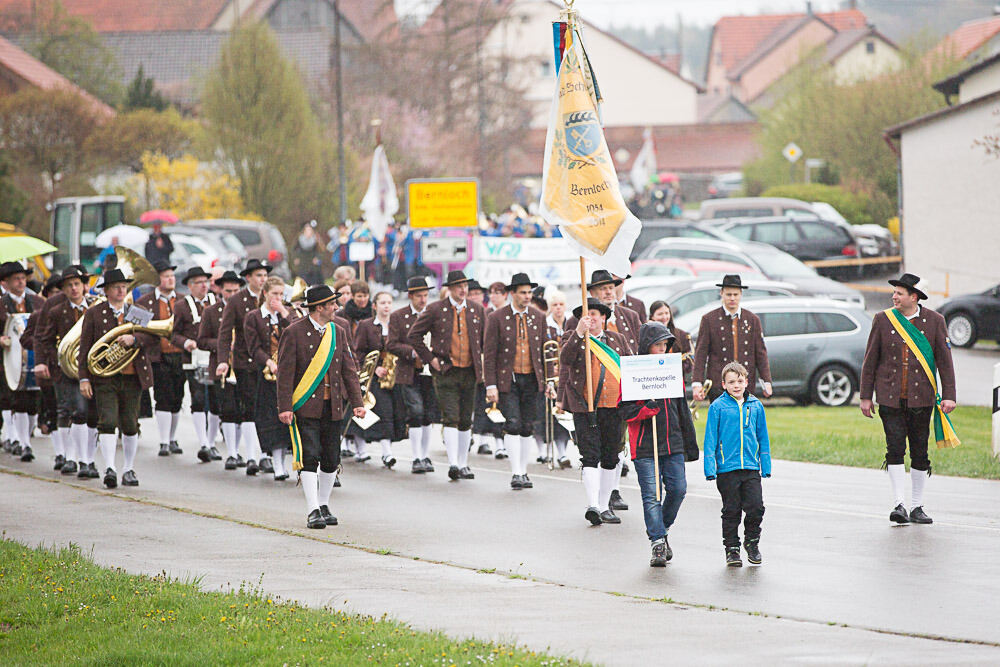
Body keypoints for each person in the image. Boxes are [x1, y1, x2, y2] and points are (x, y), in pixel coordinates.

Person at [859, 273, 957, 525]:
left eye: (899, 293)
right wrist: (865, 397)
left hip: (922, 399)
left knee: (920, 452)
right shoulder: (882, 320)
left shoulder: (935, 321)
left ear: (914, 297)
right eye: (894, 293)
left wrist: (950, 396)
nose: (894, 297)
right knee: (894, 450)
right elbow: (870, 361)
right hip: (890, 398)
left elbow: (945, 363)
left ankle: (917, 505)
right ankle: (899, 504)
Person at [277, 285, 364, 529]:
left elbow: (349, 368)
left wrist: (357, 402)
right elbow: (285, 373)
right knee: (310, 456)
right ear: (319, 307)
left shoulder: (339, 331)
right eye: (332, 304)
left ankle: (324, 504)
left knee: (331, 458)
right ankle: (312, 509)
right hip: (305, 406)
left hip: (333, 405)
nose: (337, 307)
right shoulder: (294, 332)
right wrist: (285, 406)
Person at [619, 322, 699, 566]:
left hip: (673, 442)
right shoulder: (633, 372)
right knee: (652, 496)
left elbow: (682, 408)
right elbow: (624, 410)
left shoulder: (672, 370)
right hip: (646, 446)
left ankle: (661, 530)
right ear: (647, 346)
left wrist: (689, 443)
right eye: (658, 345)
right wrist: (644, 410)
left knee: (678, 490)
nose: (663, 349)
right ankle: (657, 543)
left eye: (665, 345)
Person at [78, 268, 156, 489]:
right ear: (107, 290)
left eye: (124, 287)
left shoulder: (135, 310)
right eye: (116, 287)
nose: (121, 290)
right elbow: (85, 349)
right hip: (105, 378)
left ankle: (128, 468)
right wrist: (84, 378)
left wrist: (135, 339)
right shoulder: (95, 313)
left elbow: (151, 337)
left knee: (130, 424)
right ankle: (110, 467)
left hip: (132, 375)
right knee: (108, 421)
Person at [407, 270, 486, 481]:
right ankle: (453, 463)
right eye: (459, 286)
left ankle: (463, 463)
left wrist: (483, 363)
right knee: (450, 416)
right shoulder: (436, 309)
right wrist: (430, 359)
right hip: (446, 370)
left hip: (470, 370)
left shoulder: (477, 310)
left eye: (465, 286)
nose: (463, 289)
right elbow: (414, 335)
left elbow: (485, 340)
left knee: (465, 418)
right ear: (449, 288)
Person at [557, 298, 630, 525]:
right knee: (590, 455)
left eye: (595, 314)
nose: (591, 318)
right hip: (585, 406)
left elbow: (628, 367)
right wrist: (578, 334)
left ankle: (605, 504)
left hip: (613, 407)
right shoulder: (573, 338)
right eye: (587, 315)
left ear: (604, 318)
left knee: (610, 456)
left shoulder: (618, 340)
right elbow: (565, 360)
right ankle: (593, 505)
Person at [483, 272, 549, 490]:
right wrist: (490, 385)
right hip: (507, 380)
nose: (528, 296)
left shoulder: (538, 317)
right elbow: (489, 354)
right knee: (512, 423)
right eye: (523, 292)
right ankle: (515, 471)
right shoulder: (496, 318)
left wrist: (549, 381)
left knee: (527, 425)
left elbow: (545, 351)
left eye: (530, 292)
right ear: (512, 294)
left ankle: (524, 470)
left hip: (532, 378)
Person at [704, 361, 771, 567]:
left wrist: (765, 464)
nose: (736, 385)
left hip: (751, 467)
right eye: (731, 382)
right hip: (727, 469)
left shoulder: (756, 406)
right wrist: (710, 467)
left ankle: (752, 542)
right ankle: (732, 548)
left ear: (746, 382)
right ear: (723, 384)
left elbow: (763, 437)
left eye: (740, 381)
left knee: (756, 507)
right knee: (731, 510)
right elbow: (710, 439)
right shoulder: (718, 407)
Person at [217, 258, 272, 475]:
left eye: (265, 276)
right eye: (259, 275)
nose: (263, 280)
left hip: (270, 362)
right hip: (246, 361)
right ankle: (251, 456)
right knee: (250, 409)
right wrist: (223, 359)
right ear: (248, 278)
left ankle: (266, 455)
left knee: (268, 409)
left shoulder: (273, 298)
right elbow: (224, 333)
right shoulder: (237, 301)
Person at [245, 276, 299, 481]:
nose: (277, 298)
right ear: (265, 293)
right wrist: (269, 362)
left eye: (281, 294)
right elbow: (254, 347)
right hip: (267, 375)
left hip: (291, 374)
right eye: (274, 294)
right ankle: (277, 464)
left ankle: (293, 461)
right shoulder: (254, 316)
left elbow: (296, 333)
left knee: (291, 419)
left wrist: (284, 313)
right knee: (271, 420)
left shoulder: (289, 314)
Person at [386, 276, 440, 474]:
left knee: (428, 415)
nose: (423, 300)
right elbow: (391, 344)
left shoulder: (434, 314)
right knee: (415, 413)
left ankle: (425, 455)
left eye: (426, 296)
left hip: (430, 371)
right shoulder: (399, 316)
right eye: (419, 296)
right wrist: (412, 351)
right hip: (409, 371)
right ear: (410, 296)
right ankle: (416, 456)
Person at [692, 275, 771, 402]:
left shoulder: (752, 319)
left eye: (735, 294)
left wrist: (766, 381)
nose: (732, 298)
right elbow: (701, 353)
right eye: (728, 294)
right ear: (721, 293)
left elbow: (760, 353)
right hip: (718, 385)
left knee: (745, 420)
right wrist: (697, 383)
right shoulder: (709, 319)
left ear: (741, 294)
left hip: (745, 384)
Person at [135, 260, 186, 457]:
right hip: (158, 356)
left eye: (172, 276)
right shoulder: (144, 302)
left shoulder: (182, 300)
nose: (171, 279)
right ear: (158, 280)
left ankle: (172, 438)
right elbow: (137, 328)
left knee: (177, 398)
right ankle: (164, 440)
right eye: (166, 276)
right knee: (162, 397)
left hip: (180, 355)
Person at [170, 267, 219, 462]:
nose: (204, 286)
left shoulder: (216, 302)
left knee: (216, 401)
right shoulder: (182, 306)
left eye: (206, 282)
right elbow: (174, 334)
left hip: (215, 358)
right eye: (199, 282)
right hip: (193, 360)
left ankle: (213, 442)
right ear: (190, 286)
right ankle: (203, 443)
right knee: (198, 399)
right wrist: (185, 343)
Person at [198, 270, 245, 470]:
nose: (232, 294)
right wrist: (223, 344)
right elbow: (202, 340)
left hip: (242, 365)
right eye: (228, 291)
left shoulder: (247, 309)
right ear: (219, 290)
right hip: (221, 366)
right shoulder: (211, 312)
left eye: (236, 290)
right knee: (227, 410)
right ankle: (232, 453)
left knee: (242, 411)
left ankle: (238, 449)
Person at [0, 261, 45, 462]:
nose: (21, 282)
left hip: (34, 356)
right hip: (7, 359)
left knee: (34, 402)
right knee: (12, 399)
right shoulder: (1, 303)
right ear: (6, 282)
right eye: (16, 279)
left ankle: (25, 435)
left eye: (23, 278)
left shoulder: (38, 302)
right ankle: (21, 441)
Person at [351, 291, 399, 469]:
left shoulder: (396, 324)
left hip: (392, 378)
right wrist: (374, 367)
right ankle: (377, 452)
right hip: (372, 378)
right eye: (382, 303)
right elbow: (358, 352)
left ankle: (386, 451)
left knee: (391, 413)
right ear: (375, 306)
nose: (386, 306)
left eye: (389, 302)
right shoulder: (366, 325)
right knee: (375, 412)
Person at [468, 279, 500, 457]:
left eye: (477, 294)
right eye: (471, 294)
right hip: (468, 364)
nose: (474, 297)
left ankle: (484, 440)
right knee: (471, 403)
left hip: (485, 364)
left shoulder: (488, 314)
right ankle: (469, 436)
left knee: (486, 402)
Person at [649, 300, 693, 378]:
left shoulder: (682, 335)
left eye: (666, 313)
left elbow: (690, 360)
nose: (664, 317)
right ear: (652, 316)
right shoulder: (646, 336)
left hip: (675, 379)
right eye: (660, 314)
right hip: (652, 379)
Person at [291, 221, 324, 285]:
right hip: (303, 264)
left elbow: (321, 251)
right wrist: (296, 258)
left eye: (309, 230)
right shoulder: (299, 239)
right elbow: (293, 250)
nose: (308, 232)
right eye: (306, 230)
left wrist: (318, 258)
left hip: (313, 266)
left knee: (314, 282)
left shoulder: (316, 239)